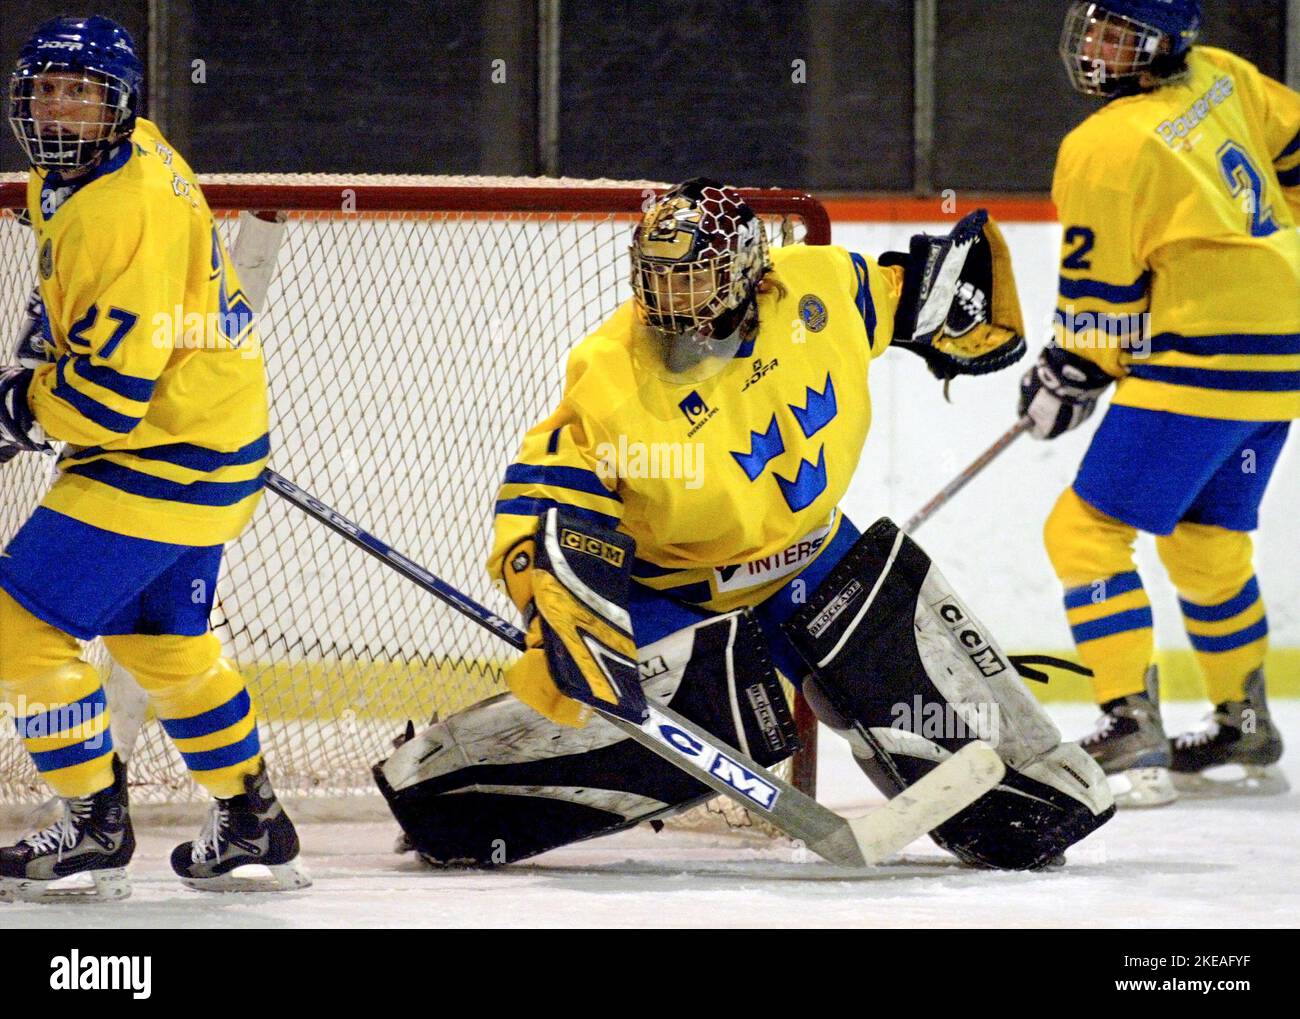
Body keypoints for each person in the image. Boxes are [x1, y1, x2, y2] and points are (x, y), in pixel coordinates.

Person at [377, 178, 1115, 871]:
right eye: (659, 276)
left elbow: (909, 292)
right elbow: (544, 498)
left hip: (819, 561)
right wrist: (559, 598)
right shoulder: (611, 375)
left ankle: (1017, 779)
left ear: (747, 274)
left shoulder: (818, 288)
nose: (671, 297)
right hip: (683, 594)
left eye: (693, 277)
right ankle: (444, 778)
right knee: (469, 802)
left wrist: (955, 304)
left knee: (1030, 803)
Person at [0, 15, 306, 899]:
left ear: (118, 104)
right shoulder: (104, 162)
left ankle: (94, 824)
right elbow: (78, 300)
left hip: (158, 452)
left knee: (17, 627)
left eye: (79, 92)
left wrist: (17, 408)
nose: (59, 107)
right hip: (215, 434)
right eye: (45, 88)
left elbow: (105, 400)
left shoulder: (122, 210)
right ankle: (254, 818)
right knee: (163, 639)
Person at [1020, 1, 1299, 806]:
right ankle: (1244, 721)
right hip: (1280, 348)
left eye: (1118, 34)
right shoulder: (1221, 77)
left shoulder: (1105, 141)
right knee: (1206, 543)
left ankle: (1129, 724)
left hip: (1205, 355)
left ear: (1164, 43)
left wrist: (1070, 370)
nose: (1095, 46)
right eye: (1094, 27)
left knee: (1083, 532)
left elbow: (1102, 299)